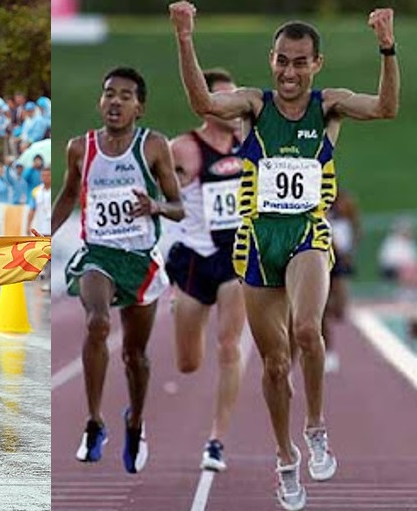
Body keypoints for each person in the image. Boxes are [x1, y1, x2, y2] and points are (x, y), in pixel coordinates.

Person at [169, 3, 399, 509]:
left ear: (317, 64)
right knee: (274, 366)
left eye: (300, 62)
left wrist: (387, 45)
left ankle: (316, 425)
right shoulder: (253, 105)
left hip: (306, 235)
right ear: (271, 60)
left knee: (305, 332)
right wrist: (185, 37)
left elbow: (386, 107)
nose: (289, 72)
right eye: (281, 61)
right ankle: (285, 456)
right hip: (257, 245)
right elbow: (203, 101)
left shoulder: (329, 106)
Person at [52, 67, 184, 474]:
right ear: (100, 101)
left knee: (135, 355)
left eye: (126, 96)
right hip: (99, 254)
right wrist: (39, 238)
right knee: (96, 322)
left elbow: (179, 206)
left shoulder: (154, 147)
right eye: (109, 93)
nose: (115, 101)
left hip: (140, 260)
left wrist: (157, 206)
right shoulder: (80, 148)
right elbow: (69, 195)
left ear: (139, 107)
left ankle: (135, 421)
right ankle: (94, 422)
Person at [165, 68, 245, 472]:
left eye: (237, 99)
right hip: (195, 259)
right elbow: (166, 196)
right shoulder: (184, 148)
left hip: (236, 260)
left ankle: (216, 440)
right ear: (206, 103)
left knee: (229, 346)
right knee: (188, 363)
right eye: (225, 100)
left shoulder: (249, 143)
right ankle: (180, 304)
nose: (234, 108)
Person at [321, 188, 362, 374]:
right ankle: (328, 351)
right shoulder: (317, 204)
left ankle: (319, 312)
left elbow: (356, 228)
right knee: (321, 311)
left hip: (341, 261)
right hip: (323, 259)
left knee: (340, 311)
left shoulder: (346, 204)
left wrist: (350, 251)